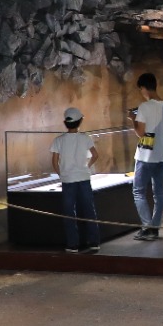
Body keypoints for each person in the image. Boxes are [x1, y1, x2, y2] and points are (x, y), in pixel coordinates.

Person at [130, 72, 163, 241]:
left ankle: (147, 227)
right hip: (162, 154)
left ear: (144, 88)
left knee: (138, 191)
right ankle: (155, 228)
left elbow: (140, 132)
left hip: (146, 156)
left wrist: (133, 119)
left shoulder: (144, 107)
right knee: (159, 193)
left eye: (141, 89)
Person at [50, 106, 98, 253]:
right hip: (83, 177)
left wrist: (61, 174)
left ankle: (72, 244)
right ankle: (94, 242)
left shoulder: (59, 140)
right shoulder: (85, 138)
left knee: (69, 212)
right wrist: (87, 166)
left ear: (65, 122)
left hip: (68, 180)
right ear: (80, 121)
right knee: (89, 209)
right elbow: (95, 155)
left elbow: (54, 161)